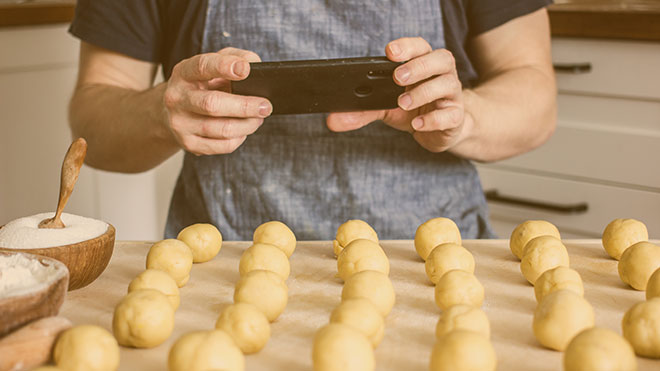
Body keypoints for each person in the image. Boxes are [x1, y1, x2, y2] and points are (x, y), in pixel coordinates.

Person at [68, 0, 556, 240]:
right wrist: (160, 112)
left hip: (431, 264)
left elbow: (535, 96)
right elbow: (93, 120)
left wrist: (462, 116)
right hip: (221, 267)